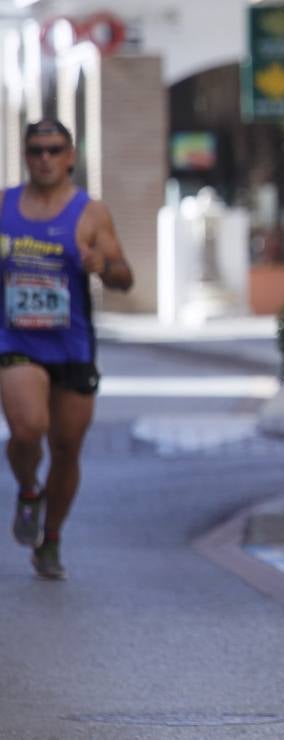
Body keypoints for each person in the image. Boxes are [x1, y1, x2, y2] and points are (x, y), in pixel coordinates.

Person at [4, 118, 133, 580]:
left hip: (72, 342)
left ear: (71, 155)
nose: (45, 158)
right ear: (26, 156)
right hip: (16, 339)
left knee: (66, 447)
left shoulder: (90, 213)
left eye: (54, 149)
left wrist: (101, 266)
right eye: (36, 150)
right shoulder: (4, 206)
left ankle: (51, 539)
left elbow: (124, 276)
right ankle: (27, 491)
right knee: (27, 429)